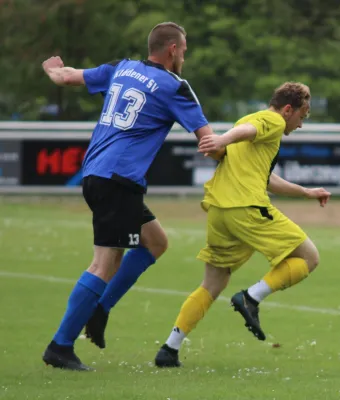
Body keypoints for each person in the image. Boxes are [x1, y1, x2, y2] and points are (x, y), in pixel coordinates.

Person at [41, 22, 222, 371]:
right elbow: (209, 142)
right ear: (172, 50)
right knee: (105, 262)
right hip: (119, 178)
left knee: (154, 242)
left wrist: (51, 68)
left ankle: (99, 308)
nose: (184, 56)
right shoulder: (175, 86)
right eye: (183, 50)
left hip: (97, 172)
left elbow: (64, 77)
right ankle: (60, 346)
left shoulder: (121, 68)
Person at [154, 82, 331, 368]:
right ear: (288, 110)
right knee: (308, 257)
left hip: (219, 213)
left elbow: (266, 178)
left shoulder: (249, 120)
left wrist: (306, 192)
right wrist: (222, 140)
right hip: (246, 208)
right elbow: (245, 133)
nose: (301, 123)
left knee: (213, 283)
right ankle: (251, 297)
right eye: (303, 115)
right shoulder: (272, 120)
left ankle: (169, 349)